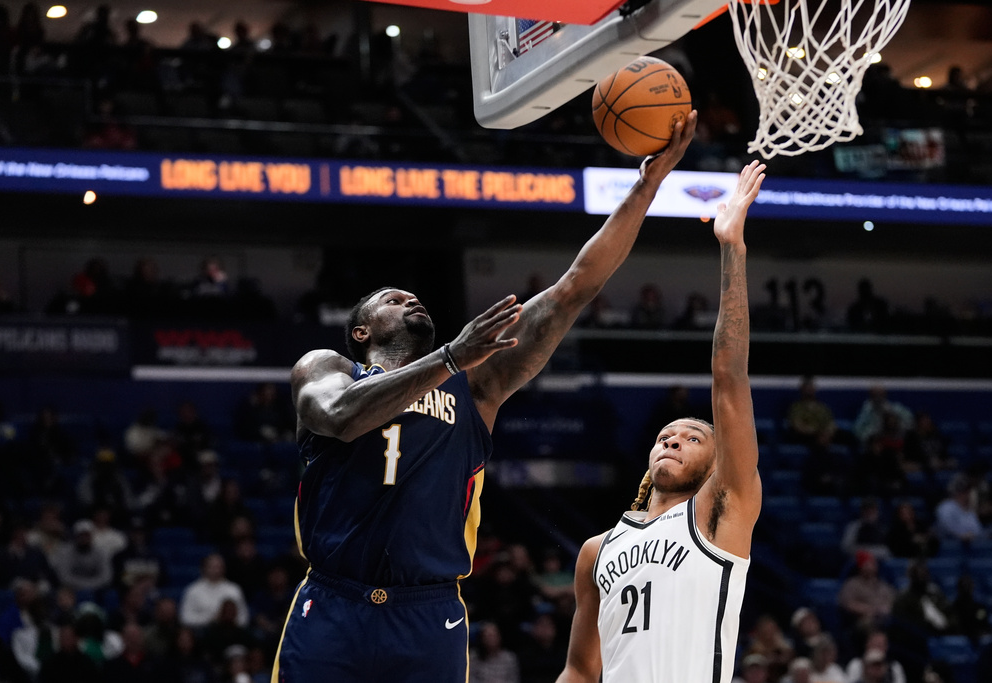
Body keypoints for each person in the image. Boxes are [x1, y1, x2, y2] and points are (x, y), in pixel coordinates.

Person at [275, 112, 699, 683]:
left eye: (415, 297)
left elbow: (576, 287)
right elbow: (338, 418)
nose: (410, 301)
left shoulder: (477, 384)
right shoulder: (328, 369)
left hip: (429, 614)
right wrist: (449, 356)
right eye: (394, 299)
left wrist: (647, 185)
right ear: (361, 331)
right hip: (332, 603)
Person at [555, 160, 766, 683]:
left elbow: (728, 376)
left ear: (718, 461)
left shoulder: (720, 510)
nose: (673, 437)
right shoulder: (596, 551)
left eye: (694, 436)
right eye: (665, 434)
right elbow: (581, 670)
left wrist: (731, 249)